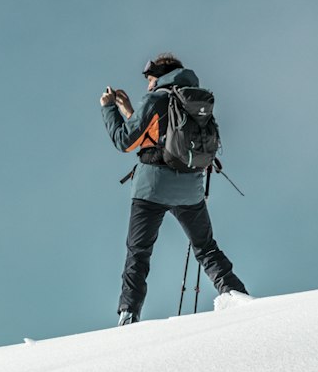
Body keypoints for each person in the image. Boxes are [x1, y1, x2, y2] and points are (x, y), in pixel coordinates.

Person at [100, 52, 248, 323]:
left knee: (139, 252)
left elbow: (125, 141)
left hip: (151, 188)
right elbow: (159, 136)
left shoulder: (155, 98)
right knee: (206, 248)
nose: (147, 84)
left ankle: (128, 314)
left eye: (149, 78)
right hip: (190, 189)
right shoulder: (195, 99)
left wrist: (109, 108)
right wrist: (128, 109)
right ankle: (237, 294)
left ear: (159, 75)